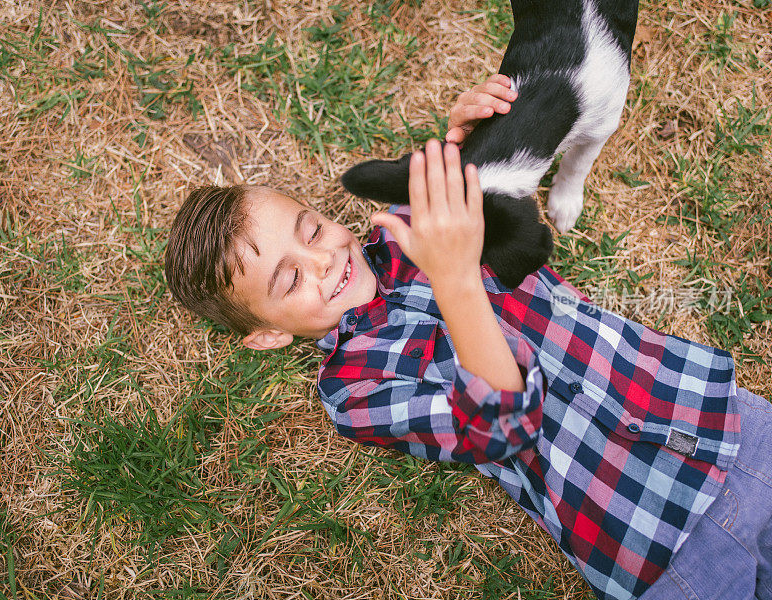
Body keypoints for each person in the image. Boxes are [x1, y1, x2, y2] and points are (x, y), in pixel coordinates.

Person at [164, 76, 772, 600]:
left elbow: (491, 190)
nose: (322, 259)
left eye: (312, 228)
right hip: (650, 535)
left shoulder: (411, 224)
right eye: (290, 278)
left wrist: (470, 140)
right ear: (269, 335)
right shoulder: (354, 390)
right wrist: (454, 277)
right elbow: (500, 428)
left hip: (708, 412)